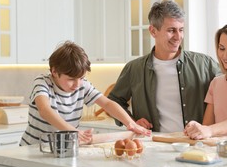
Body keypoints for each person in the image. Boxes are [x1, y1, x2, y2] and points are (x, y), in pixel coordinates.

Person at [108, 0, 227, 132]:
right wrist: (131, 121)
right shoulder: (135, 68)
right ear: (153, 31)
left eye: (181, 29)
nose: (178, 36)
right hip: (155, 144)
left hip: (194, 144)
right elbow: (114, 101)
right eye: (171, 30)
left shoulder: (203, 63)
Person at [20, 41, 150, 146]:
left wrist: (130, 123)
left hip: (64, 149)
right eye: (71, 79)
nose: (77, 84)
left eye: (81, 78)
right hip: (33, 149)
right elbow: (45, 110)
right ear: (54, 71)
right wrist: (73, 131)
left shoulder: (82, 85)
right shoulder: (42, 83)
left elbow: (108, 103)